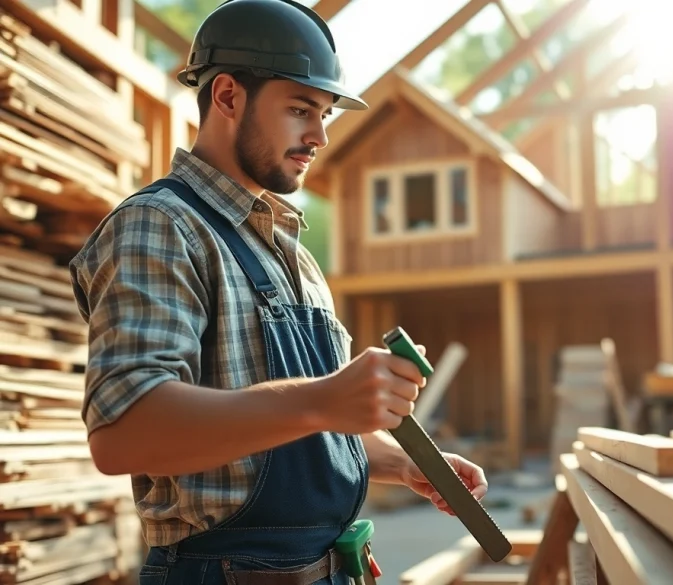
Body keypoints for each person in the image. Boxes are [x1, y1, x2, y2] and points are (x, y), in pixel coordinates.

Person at [68, 1, 487, 582]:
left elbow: (294, 432)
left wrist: (401, 463)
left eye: (324, 114)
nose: (318, 135)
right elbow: (123, 434)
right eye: (299, 109)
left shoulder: (296, 255)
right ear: (228, 97)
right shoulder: (159, 227)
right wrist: (320, 399)